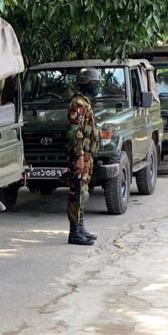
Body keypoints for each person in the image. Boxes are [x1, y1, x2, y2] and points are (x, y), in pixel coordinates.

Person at [66, 68, 100, 246]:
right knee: (78, 192)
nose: (96, 87)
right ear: (87, 83)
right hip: (80, 155)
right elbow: (75, 132)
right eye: (94, 83)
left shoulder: (85, 102)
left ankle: (80, 228)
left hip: (86, 155)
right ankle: (74, 232)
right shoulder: (78, 103)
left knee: (83, 192)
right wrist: (79, 156)